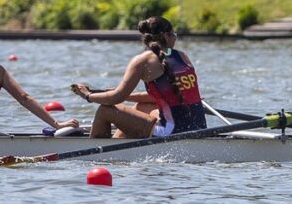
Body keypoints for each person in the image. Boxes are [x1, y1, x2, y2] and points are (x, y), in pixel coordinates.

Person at [70, 16, 207, 139]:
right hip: (200, 128)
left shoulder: (142, 61)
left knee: (105, 110)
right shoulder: (182, 56)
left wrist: (87, 95)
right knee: (142, 107)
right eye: (174, 34)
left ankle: (97, 154)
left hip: (172, 132)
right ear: (166, 36)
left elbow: (115, 98)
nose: (175, 38)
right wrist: (126, 95)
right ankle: (118, 143)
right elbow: (157, 96)